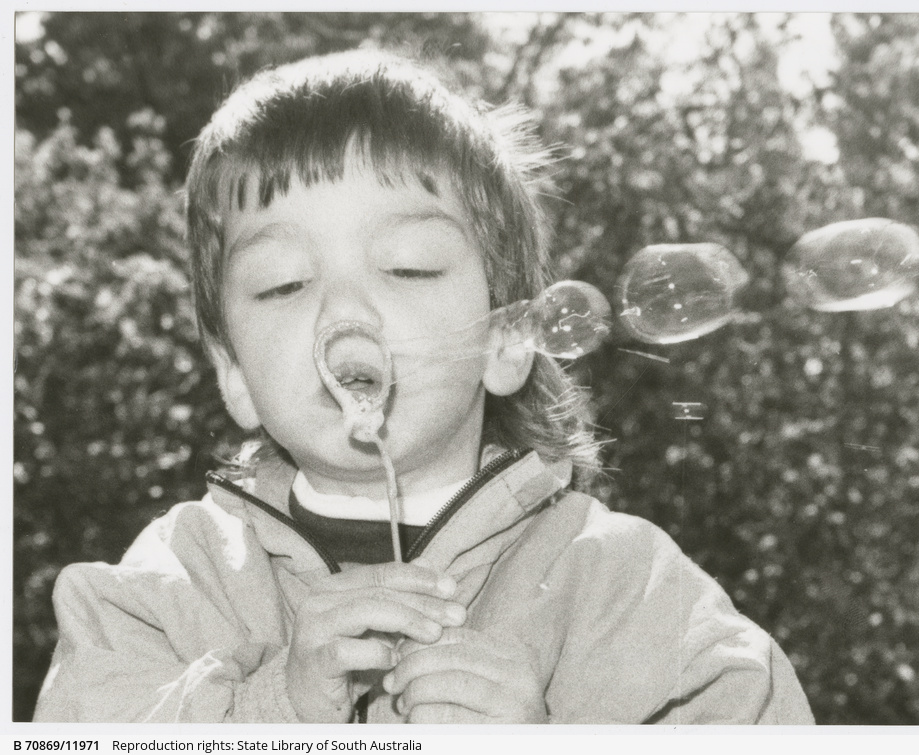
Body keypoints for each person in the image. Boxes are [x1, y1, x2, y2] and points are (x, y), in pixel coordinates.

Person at [33, 49, 814, 725]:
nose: (342, 311)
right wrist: (274, 708)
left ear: (508, 337)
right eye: (283, 283)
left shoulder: (626, 587)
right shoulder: (169, 585)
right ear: (234, 372)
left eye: (408, 266)